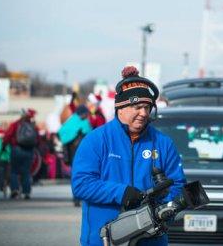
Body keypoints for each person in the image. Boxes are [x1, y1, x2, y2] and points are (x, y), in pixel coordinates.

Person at [71, 66, 186, 246]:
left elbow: (178, 184)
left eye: (147, 107)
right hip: (104, 240)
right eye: (137, 106)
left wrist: (164, 208)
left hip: (152, 241)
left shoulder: (163, 143)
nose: (143, 113)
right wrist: (121, 193)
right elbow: (81, 184)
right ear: (120, 108)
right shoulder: (96, 140)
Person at [3, 108, 39, 199]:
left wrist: (4, 146)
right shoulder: (33, 126)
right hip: (29, 151)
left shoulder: (15, 124)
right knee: (26, 172)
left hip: (16, 149)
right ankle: (26, 192)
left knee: (14, 171)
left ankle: (15, 190)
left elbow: (8, 136)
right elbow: (37, 139)